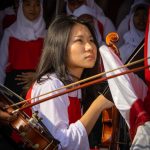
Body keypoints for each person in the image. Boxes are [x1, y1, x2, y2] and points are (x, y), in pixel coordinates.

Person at [26, 15, 114, 150]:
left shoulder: (76, 83)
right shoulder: (51, 84)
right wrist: (97, 106)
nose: (90, 47)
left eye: (91, 40)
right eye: (79, 40)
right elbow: (61, 144)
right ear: (60, 46)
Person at [0, 0, 46, 99]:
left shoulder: (46, 34)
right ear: (21, 6)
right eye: (28, 4)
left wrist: (38, 76)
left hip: (39, 84)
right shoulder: (10, 32)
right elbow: (1, 65)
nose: (32, 8)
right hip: (13, 87)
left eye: (37, 5)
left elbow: (52, 63)